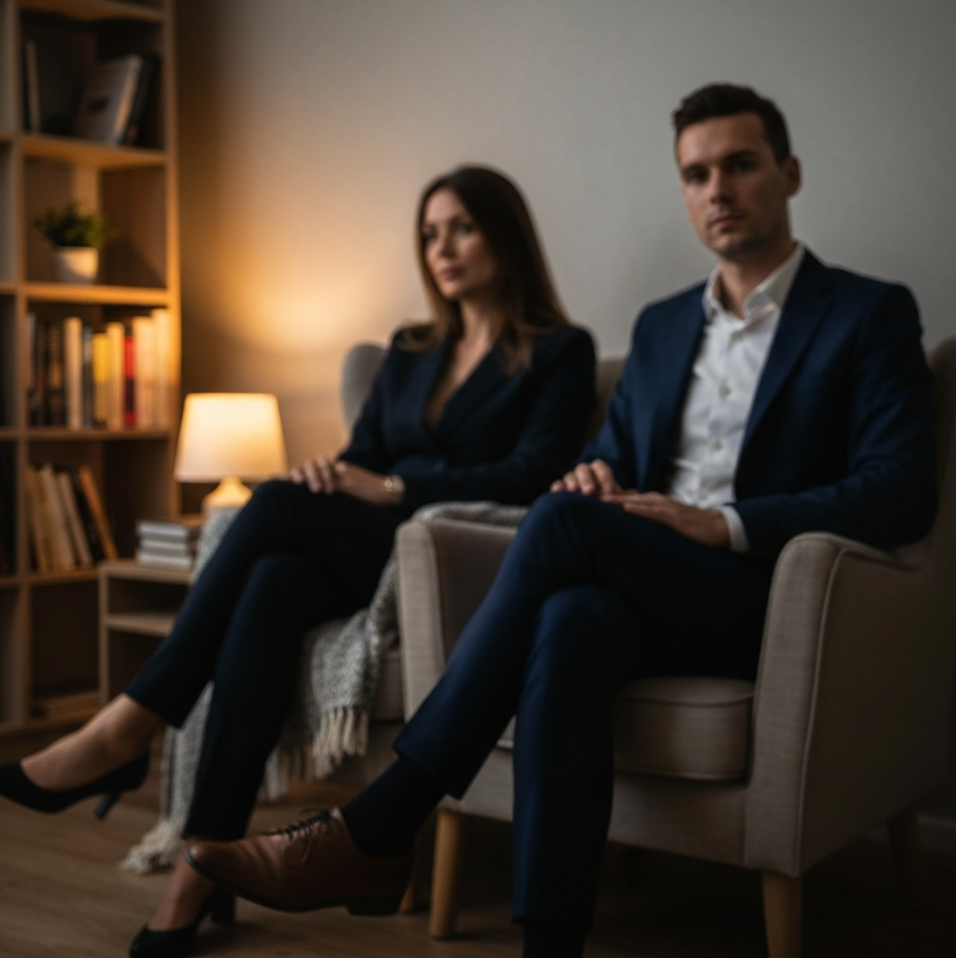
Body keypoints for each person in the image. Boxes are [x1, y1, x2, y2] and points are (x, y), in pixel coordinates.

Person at [185, 83, 938, 958]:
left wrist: (726, 523)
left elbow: (900, 489)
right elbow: (611, 457)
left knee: (557, 524)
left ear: (789, 172)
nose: (718, 190)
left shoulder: (866, 312)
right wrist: (594, 477)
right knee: (569, 614)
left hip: (768, 595)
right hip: (651, 585)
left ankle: (382, 823)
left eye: (739, 165)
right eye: (696, 174)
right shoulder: (662, 327)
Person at [0, 166, 597, 958]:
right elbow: (362, 454)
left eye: (462, 227)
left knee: (275, 506)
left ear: (505, 235)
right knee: (272, 579)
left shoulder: (560, 352)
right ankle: (198, 872)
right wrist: (334, 474)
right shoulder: (411, 349)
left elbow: (531, 475)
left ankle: (130, 724)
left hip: (453, 552)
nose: (442, 249)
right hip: (367, 543)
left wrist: (391, 487)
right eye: (429, 233)